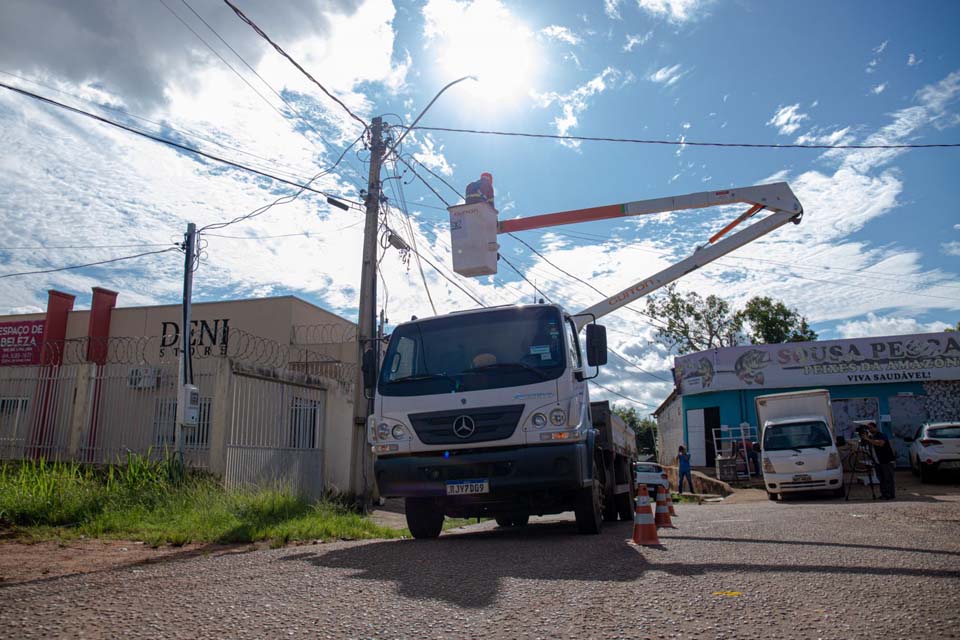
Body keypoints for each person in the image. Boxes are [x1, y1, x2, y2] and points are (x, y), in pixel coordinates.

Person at [862, 421, 896, 500]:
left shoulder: (881, 435)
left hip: (886, 460)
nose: (869, 430)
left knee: (888, 478)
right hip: (877, 461)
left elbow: (880, 443)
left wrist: (868, 439)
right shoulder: (870, 437)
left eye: (871, 428)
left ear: (875, 428)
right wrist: (865, 438)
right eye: (868, 428)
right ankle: (884, 494)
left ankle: (890, 494)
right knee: (881, 479)